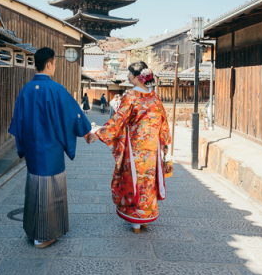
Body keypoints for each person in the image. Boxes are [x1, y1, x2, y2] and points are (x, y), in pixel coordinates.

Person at [9, 48, 92, 248]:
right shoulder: (56, 89)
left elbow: (18, 122)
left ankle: (33, 231)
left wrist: (24, 146)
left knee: (35, 189)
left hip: (33, 151)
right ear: (49, 64)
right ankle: (44, 236)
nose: (55, 67)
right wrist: (86, 132)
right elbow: (73, 115)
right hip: (51, 151)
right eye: (54, 63)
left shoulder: (26, 90)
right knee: (50, 192)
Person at [87, 61, 171, 233]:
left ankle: (136, 221)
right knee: (149, 181)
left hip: (136, 148)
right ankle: (146, 218)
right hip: (152, 148)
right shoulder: (155, 97)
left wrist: (98, 133)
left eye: (129, 73)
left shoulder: (131, 96)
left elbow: (119, 119)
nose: (127, 76)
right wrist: (164, 142)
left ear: (137, 76)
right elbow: (163, 121)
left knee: (135, 180)